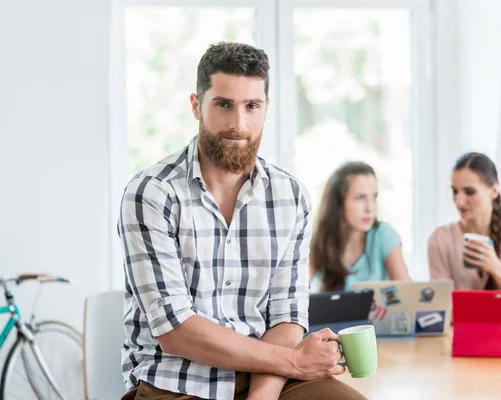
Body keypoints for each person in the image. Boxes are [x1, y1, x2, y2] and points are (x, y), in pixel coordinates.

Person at [117, 42, 367, 400]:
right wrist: (295, 363)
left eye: (252, 106)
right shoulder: (151, 194)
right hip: (175, 383)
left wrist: (262, 395)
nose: (239, 124)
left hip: (268, 377)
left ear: (266, 109)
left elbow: (287, 315)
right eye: (223, 105)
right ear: (196, 106)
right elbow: (176, 331)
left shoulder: (290, 196)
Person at [427, 152, 501, 292]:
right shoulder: (440, 239)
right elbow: (442, 304)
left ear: (494, 191)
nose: (459, 201)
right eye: (455, 191)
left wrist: (495, 267)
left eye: (469, 192)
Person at [310, 161, 411, 293]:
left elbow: (408, 295)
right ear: (338, 203)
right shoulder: (318, 240)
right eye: (360, 198)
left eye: (374, 197)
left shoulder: (384, 235)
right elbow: (294, 294)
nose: (370, 208)